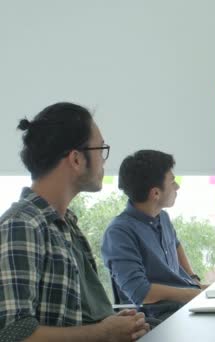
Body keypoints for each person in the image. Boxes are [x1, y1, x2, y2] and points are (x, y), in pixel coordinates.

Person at [0, 102, 149, 341]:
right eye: (101, 149)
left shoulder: (65, 224)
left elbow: (84, 318)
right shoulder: (22, 226)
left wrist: (118, 325)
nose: (103, 161)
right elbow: (12, 333)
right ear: (77, 159)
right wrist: (104, 332)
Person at [102, 150, 204, 321]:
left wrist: (193, 279)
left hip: (183, 310)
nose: (177, 187)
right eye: (172, 182)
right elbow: (140, 292)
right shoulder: (119, 233)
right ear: (155, 193)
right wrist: (191, 294)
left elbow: (176, 245)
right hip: (155, 320)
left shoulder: (162, 217)